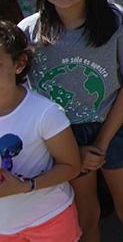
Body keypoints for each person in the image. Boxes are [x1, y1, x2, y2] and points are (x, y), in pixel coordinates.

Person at [19, 0, 123, 242]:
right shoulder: (29, 31)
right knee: (85, 216)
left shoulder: (115, 20)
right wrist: (72, 151)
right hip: (59, 138)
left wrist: (102, 143)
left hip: (114, 128)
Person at [0, 21, 81, 242]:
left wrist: (26, 186)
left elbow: (71, 166)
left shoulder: (45, 113)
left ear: (19, 64)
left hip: (49, 221)